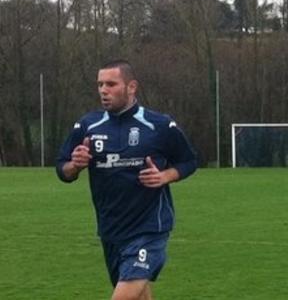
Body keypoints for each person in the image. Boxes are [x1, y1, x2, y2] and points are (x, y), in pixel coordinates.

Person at [56, 60, 198, 300]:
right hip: (111, 229)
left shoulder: (160, 125)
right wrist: (75, 165)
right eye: (100, 84)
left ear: (131, 87)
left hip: (149, 228)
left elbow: (189, 161)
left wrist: (165, 176)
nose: (103, 90)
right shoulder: (87, 126)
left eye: (111, 84)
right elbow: (63, 169)